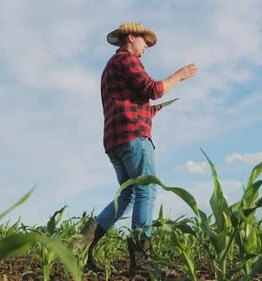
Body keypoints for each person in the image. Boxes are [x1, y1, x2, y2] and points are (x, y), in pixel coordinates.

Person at [77, 22, 198, 274]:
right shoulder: (127, 60)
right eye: (145, 42)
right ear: (131, 37)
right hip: (134, 137)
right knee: (146, 190)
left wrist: (149, 112)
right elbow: (153, 89)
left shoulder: (110, 67)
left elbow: (124, 103)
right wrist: (179, 75)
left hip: (115, 140)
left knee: (127, 195)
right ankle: (143, 262)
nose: (146, 48)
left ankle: (81, 244)